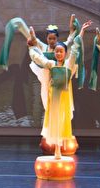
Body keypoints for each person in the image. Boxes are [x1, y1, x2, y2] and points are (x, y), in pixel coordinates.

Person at [27, 21, 92, 159]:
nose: (58, 53)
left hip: (65, 98)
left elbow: (75, 47)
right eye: (56, 51)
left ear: (65, 53)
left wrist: (82, 31)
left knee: (63, 121)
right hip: (54, 97)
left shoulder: (68, 64)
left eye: (61, 51)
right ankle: (57, 149)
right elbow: (38, 58)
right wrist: (31, 47)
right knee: (54, 122)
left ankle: (60, 147)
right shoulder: (51, 64)